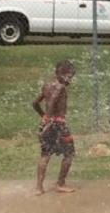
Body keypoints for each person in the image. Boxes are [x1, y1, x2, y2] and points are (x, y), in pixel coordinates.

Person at [33, 60, 77, 194]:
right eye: (69, 76)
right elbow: (52, 102)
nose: (70, 80)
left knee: (45, 155)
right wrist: (49, 119)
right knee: (69, 154)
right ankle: (60, 184)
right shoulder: (60, 87)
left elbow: (34, 103)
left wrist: (44, 118)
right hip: (58, 125)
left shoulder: (47, 86)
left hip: (49, 123)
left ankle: (39, 187)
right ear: (59, 74)